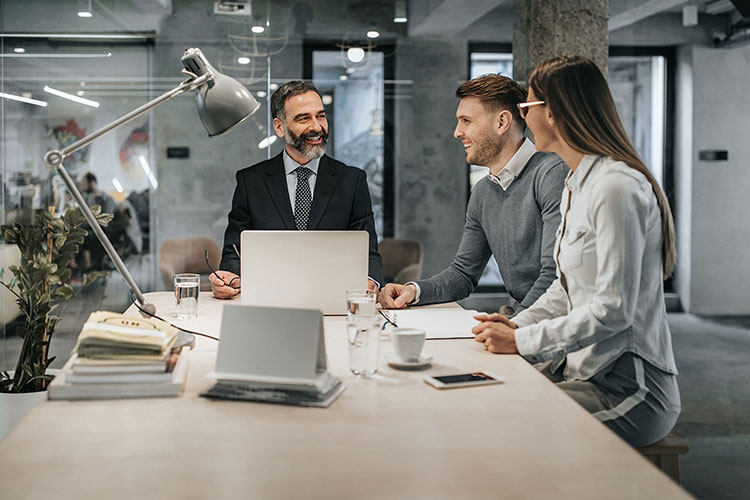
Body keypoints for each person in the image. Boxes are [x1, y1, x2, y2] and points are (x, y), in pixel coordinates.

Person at [471, 55, 680, 447]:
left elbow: (612, 310)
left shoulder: (616, 187)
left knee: (502, 428)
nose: (522, 116)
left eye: (527, 106)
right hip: (584, 377)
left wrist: (523, 343)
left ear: (552, 114)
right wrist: (519, 325)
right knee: (487, 404)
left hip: (631, 392)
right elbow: (563, 290)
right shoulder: (575, 184)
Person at [379, 75, 567, 314]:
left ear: (502, 122)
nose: (457, 133)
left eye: (466, 121)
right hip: (522, 323)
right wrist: (414, 291)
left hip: (551, 329)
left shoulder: (551, 175)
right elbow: (463, 274)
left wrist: (512, 328)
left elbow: (554, 276)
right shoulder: (483, 192)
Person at [212, 80, 383, 299]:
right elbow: (234, 253)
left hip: (333, 301)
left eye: (320, 116)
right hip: (269, 300)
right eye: (303, 118)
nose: (317, 127)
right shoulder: (250, 181)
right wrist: (229, 279)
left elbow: (368, 253)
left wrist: (371, 281)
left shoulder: (353, 180)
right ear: (279, 127)